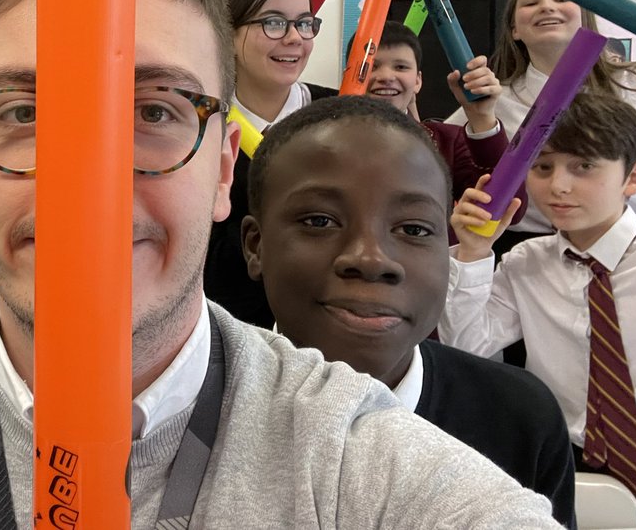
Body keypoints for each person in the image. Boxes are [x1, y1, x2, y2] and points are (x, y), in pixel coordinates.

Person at [0, 0, 558, 528]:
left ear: (222, 170)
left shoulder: (358, 460)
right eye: (23, 112)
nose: (88, 188)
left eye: (154, 110)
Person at [242, 95, 576, 526]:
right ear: (256, 245)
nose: (372, 259)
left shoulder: (519, 418)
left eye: (414, 228)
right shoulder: (189, 416)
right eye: (320, 221)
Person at [441, 93, 636, 519]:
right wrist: (474, 253)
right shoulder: (525, 264)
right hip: (568, 469)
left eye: (584, 166)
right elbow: (467, 350)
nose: (559, 186)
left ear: (634, 177)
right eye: (542, 167)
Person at [447, 0, 636, 250]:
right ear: (514, 28)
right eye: (530, 3)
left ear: (585, 18)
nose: (547, 6)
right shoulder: (492, 102)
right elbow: (433, 156)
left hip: (633, 246)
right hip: (527, 252)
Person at [205, 0, 336, 327]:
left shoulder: (340, 118)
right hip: (229, 327)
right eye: (274, 23)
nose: (295, 38)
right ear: (228, 34)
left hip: (327, 327)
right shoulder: (204, 124)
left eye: (305, 23)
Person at [365, 21, 523, 233]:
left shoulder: (447, 141)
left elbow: (506, 209)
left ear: (418, 81)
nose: (385, 76)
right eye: (371, 66)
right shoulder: (324, 140)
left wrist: (482, 117)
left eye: (401, 67)